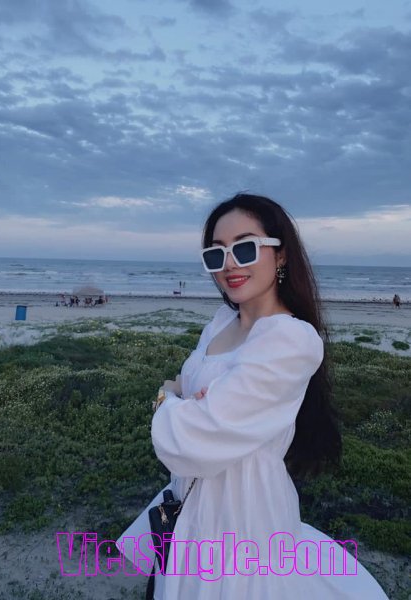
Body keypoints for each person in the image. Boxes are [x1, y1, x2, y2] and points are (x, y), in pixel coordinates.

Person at [117, 194, 389, 599]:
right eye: (216, 254)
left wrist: (168, 399)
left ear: (281, 255)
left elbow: (190, 437)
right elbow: (198, 424)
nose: (229, 264)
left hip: (244, 515)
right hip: (191, 503)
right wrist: (192, 406)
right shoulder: (220, 322)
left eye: (245, 248)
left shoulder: (291, 339)